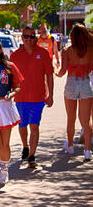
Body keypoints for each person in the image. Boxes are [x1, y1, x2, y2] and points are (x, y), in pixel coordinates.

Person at [10, 26, 54, 167]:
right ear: (22, 38)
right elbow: (11, 77)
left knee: (34, 126)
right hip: (20, 97)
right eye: (26, 36)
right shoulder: (15, 55)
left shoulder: (43, 53)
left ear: (35, 38)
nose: (29, 39)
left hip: (37, 98)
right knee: (22, 125)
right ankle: (25, 146)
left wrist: (50, 94)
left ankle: (32, 156)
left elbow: (49, 75)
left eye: (31, 36)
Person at [0, 37, 23, 182]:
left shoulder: (9, 66)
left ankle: (4, 170)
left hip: (4, 106)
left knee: (4, 142)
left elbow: (17, 86)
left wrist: (12, 94)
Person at [55, 23, 93, 161]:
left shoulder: (67, 50)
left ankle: (70, 146)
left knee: (71, 118)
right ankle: (87, 151)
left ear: (72, 36)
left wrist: (56, 73)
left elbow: (63, 71)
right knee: (85, 120)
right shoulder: (91, 50)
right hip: (85, 84)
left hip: (71, 83)